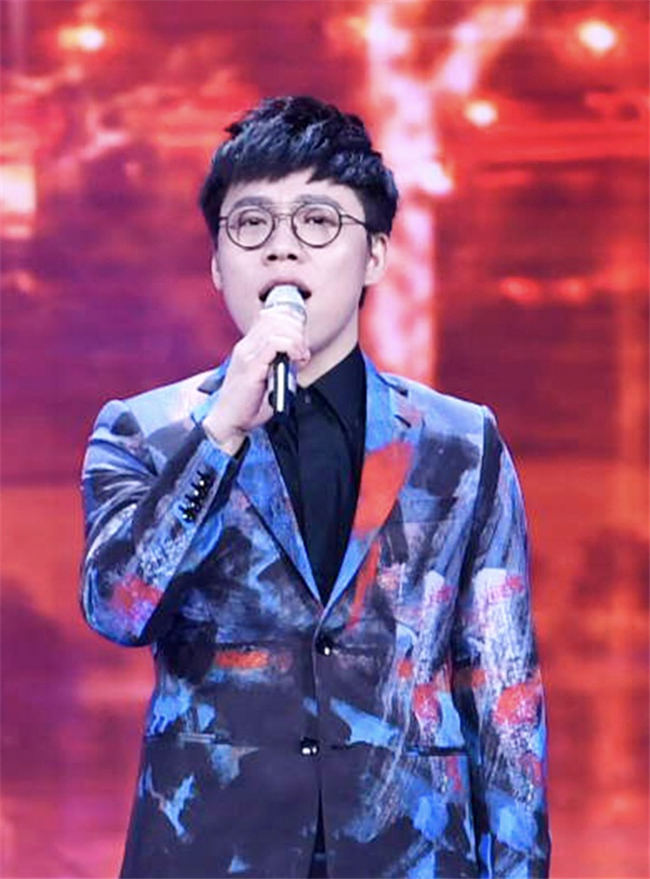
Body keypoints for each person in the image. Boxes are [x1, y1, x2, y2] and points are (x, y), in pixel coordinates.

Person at [80, 95, 550, 879]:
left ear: (375, 256)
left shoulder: (461, 442)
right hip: (212, 849)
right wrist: (219, 433)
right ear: (216, 263)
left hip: (413, 852)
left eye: (318, 221)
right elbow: (119, 608)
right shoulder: (145, 431)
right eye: (251, 223)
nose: (282, 247)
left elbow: (503, 689)